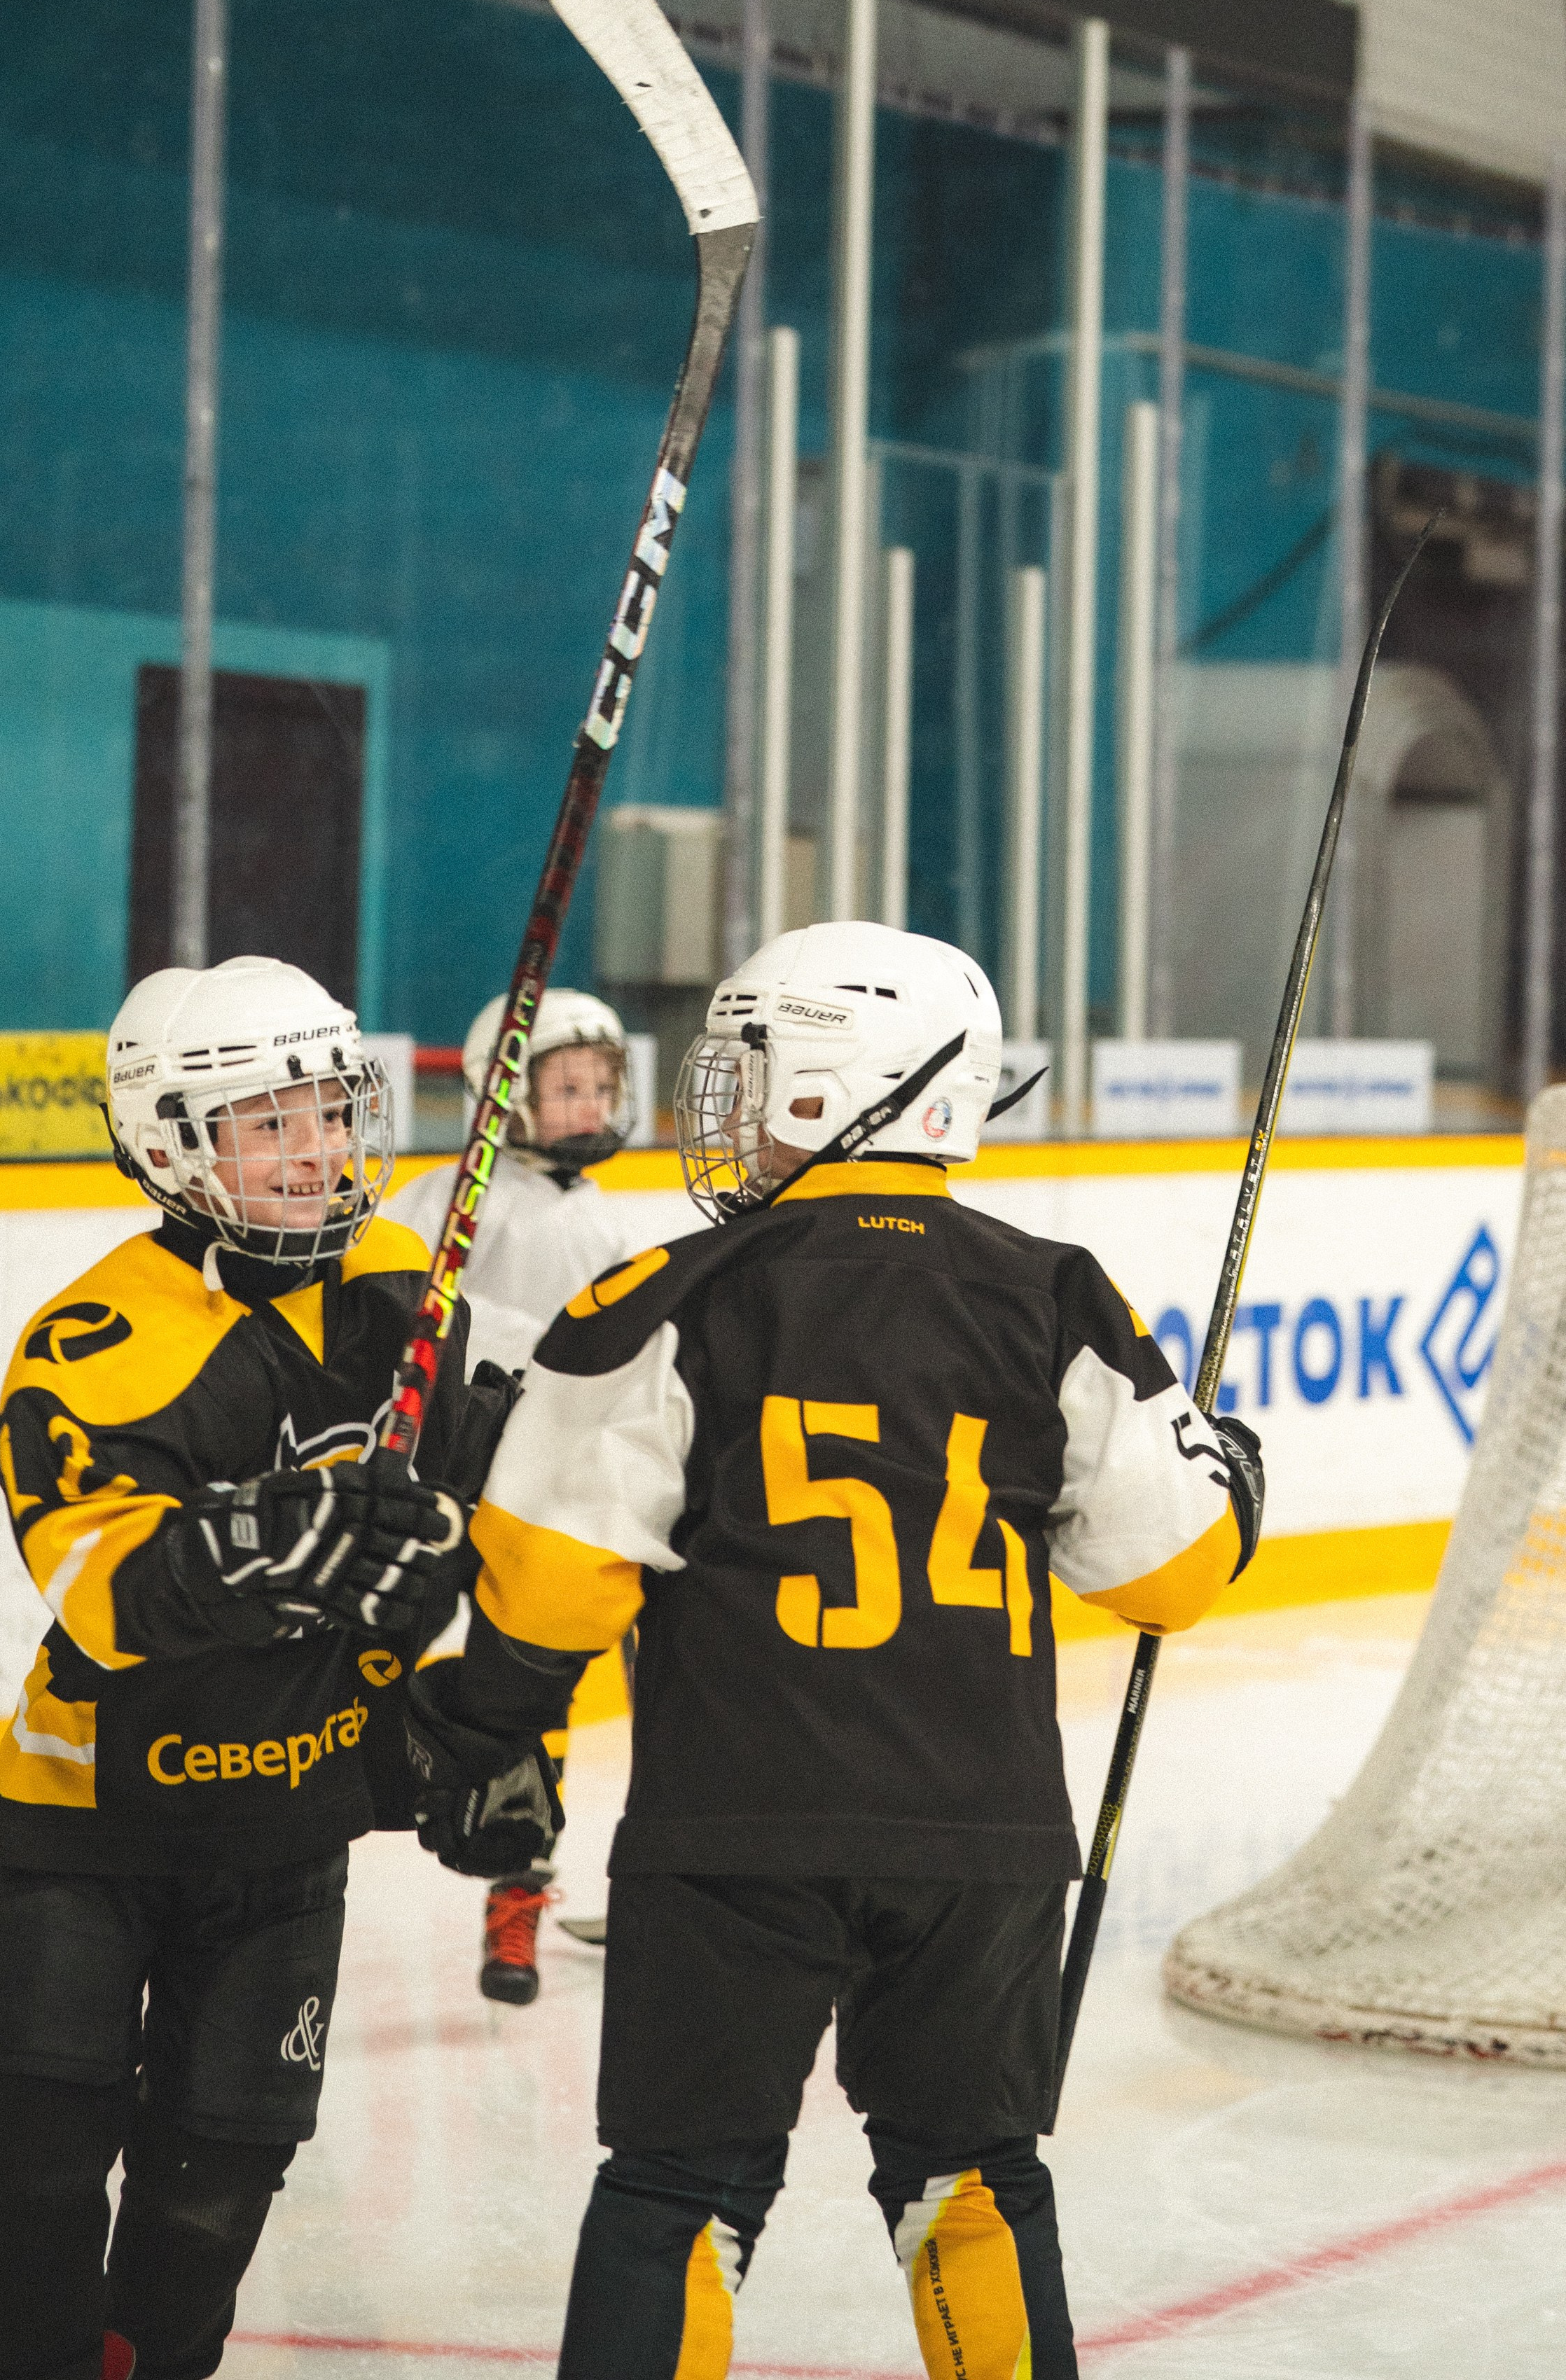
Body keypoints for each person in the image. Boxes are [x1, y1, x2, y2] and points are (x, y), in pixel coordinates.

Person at [402, 920, 1263, 2380]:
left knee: (682, 2192)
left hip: (731, 1829)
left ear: (834, 1088)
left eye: (753, 1070)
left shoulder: (661, 1295)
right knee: (976, 2186)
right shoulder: (1059, 1295)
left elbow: (553, 1594)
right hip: (982, 1836)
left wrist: (467, 1719)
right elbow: (1175, 1574)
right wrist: (1233, 1469)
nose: (721, 1106)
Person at [0, 955, 509, 2380]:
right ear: (169, 1144)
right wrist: (260, 1537)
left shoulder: (405, 1292)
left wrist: (493, 1723)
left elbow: (490, 1531)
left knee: (210, 2204)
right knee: (36, 2194)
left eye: (330, 1108)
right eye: (271, 1121)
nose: (319, 1147)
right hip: (88, 1833)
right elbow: (108, 1592)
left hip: (286, 1831)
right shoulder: (97, 1341)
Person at [389, 988, 635, 2005]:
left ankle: (517, 1903)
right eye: (565, 1085)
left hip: (555, 1500)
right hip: (448, 1486)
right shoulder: (450, 1200)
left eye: (601, 1085)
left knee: (532, 1696)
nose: (588, 1103)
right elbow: (399, 1306)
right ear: (506, 1094)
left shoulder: (606, 1219)